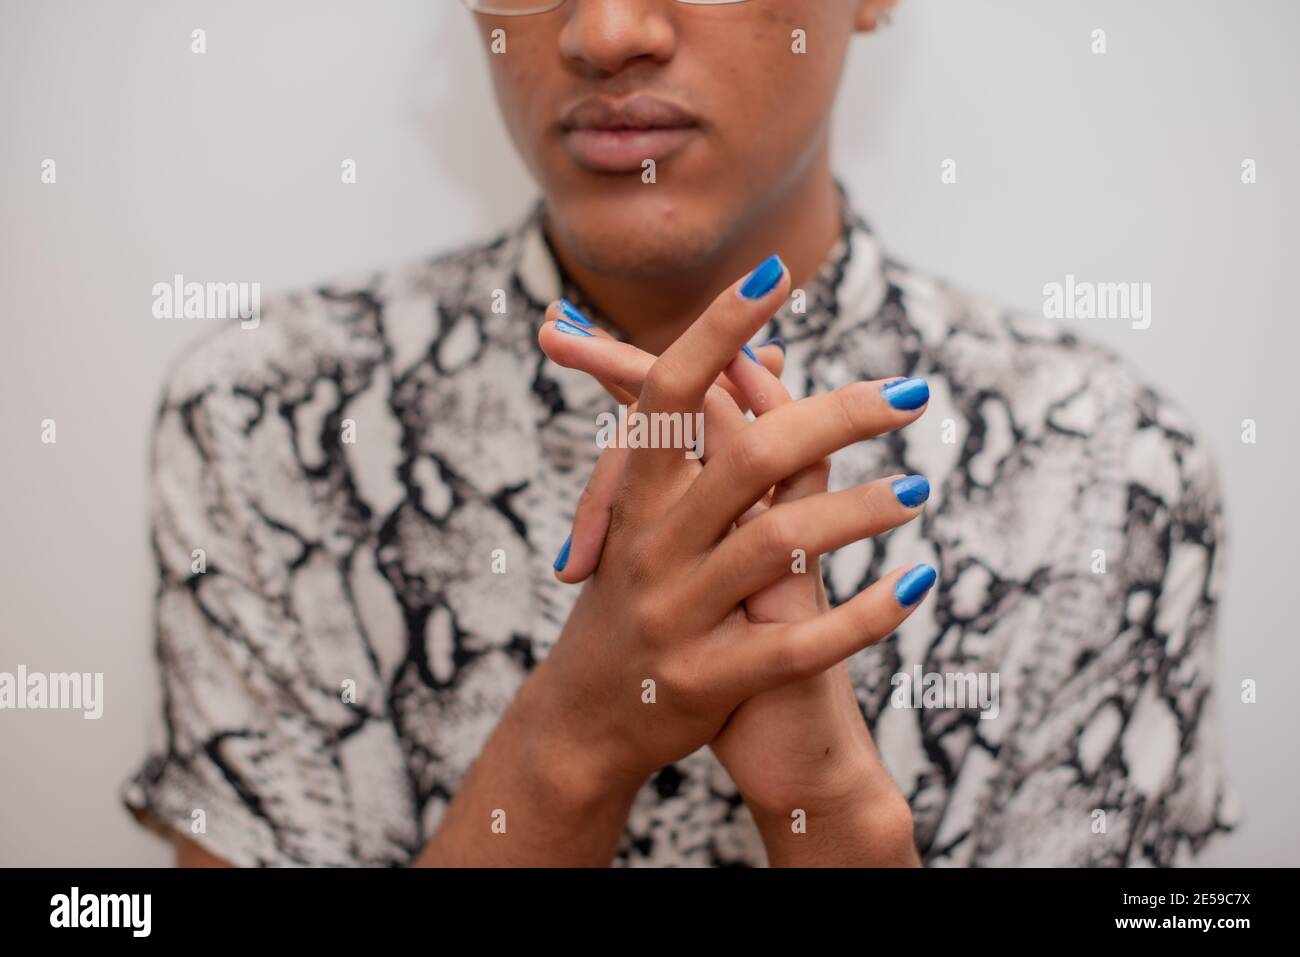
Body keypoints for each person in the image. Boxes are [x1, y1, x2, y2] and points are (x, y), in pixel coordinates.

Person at [123, 0, 1235, 867]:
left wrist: (831, 810)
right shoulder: (273, 416)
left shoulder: (1100, 465)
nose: (605, 33)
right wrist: (573, 743)